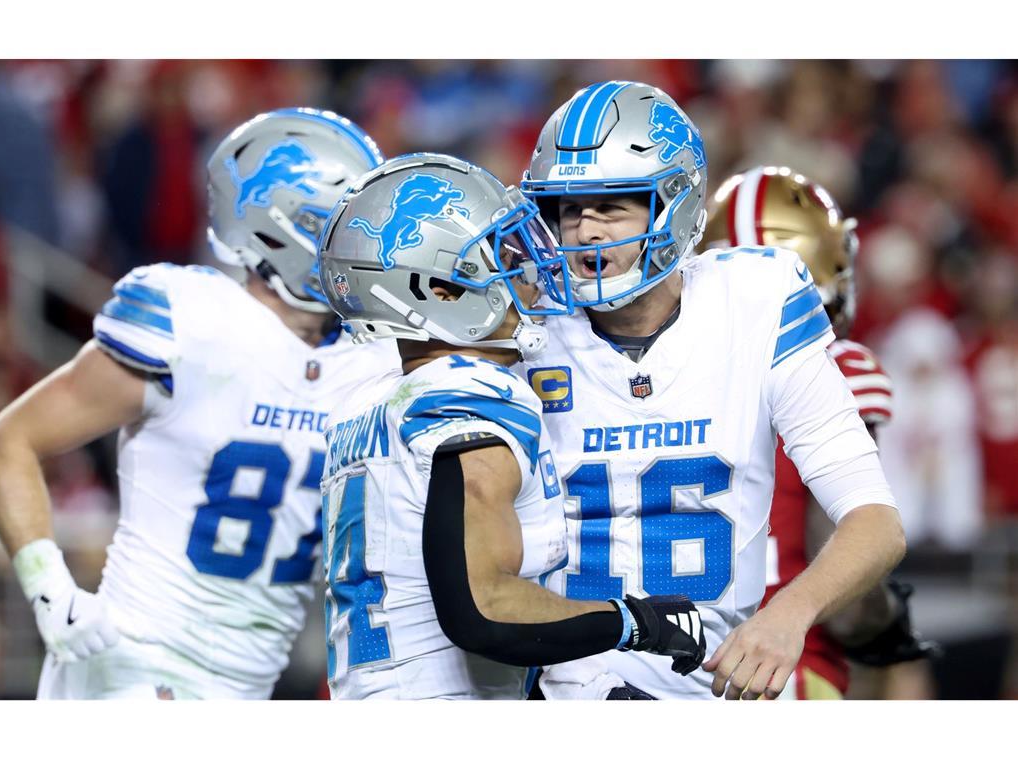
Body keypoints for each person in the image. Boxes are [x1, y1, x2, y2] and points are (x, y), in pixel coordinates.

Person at [0, 108, 397, 699]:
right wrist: (51, 589)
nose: (372, 242)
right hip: (129, 666)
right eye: (351, 222)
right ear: (287, 222)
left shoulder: (373, 360)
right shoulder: (194, 320)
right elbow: (7, 442)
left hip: (248, 684)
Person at [518, 81, 906, 700]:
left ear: (672, 206)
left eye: (611, 205)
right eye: (567, 209)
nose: (584, 232)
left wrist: (788, 614)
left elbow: (876, 523)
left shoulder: (757, 301)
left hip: (718, 676)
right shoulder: (520, 331)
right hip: (566, 678)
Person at [317, 152, 705, 700]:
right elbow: (484, 610)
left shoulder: (365, 406)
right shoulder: (473, 393)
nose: (529, 276)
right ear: (440, 290)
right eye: (502, 257)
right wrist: (633, 624)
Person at [702, 165, 940, 699]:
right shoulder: (837, 367)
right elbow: (840, 568)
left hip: (670, 663)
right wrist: (883, 618)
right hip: (784, 662)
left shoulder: (659, 373)